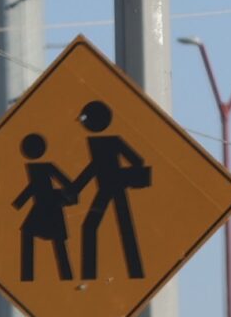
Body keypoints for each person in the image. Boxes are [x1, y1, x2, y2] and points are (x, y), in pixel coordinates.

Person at [76, 99, 150, 280]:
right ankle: (131, 271)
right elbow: (94, 167)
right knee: (118, 228)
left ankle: (92, 274)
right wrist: (76, 187)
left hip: (113, 186)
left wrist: (76, 187)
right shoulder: (98, 142)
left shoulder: (111, 141)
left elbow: (136, 160)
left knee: (96, 227)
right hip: (108, 187)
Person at [11, 131, 82, 282]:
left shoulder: (45, 166)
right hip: (43, 206)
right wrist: (17, 203)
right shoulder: (34, 167)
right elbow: (33, 186)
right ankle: (28, 276)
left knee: (56, 243)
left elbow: (65, 182)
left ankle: (62, 276)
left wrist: (68, 196)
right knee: (37, 236)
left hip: (49, 206)